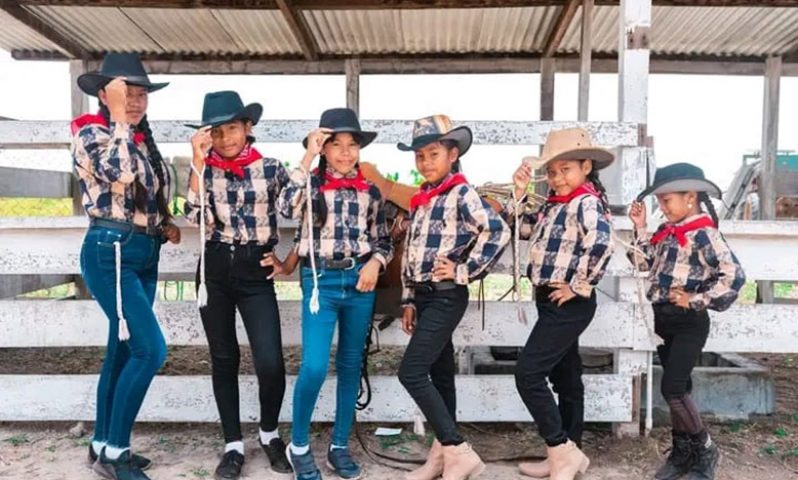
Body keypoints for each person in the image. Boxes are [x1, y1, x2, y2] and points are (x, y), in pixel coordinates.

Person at [71, 52, 180, 480]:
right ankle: (115, 454)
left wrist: (163, 223)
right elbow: (117, 174)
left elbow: (144, 192)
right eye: (125, 93)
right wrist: (117, 116)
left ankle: (101, 442)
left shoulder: (137, 138)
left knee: (122, 350)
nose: (134, 101)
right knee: (150, 350)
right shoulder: (93, 133)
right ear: (104, 94)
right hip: (110, 249)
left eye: (140, 94)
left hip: (142, 250)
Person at [277, 108, 393, 480]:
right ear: (323, 148)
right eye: (335, 145)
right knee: (313, 365)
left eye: (351, 145)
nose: (345, 153)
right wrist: (307, 156)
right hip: (320, 282)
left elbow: (383, 238)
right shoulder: (308, 185)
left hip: (359, 281)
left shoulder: (371, 191)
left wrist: (375, 262)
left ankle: (339, 446)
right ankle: (298, 446)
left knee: (349, 366)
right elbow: (283, 206)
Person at [184, 91, 294, 479]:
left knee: (270, 361)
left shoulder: (272, 168)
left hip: (255, 270)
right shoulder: (204, 170)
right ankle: (232, 444)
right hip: (214, 269)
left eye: (233, 128)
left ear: (248, 128)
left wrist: (288, 261)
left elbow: (300, 210)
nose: (226, 137)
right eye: (217, 131)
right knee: (224, 358)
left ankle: (268, 433)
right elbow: (193, 215)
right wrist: (198, 164)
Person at [397, 114, 510, 480]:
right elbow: (411, 254)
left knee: (411, 371)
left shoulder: (461, 192)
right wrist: (408, 299)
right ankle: (443, 457)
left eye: (433, 153)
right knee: (439, 374)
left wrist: (463, 270)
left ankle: (459, 450)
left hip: (447, 295)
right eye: (420, 156)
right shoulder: (423, 200)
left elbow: (497, 232)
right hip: (426, 297)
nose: (425, 162)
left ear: (452, 154)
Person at [508, 128, 615, 480]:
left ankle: (560, 447)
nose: (557, 178)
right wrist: (521, 194)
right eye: (552, 172)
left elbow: (602, 245)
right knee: (567, 377)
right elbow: (521, 230)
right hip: (550, 299)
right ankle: (567, 454)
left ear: (586, 167)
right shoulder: (554, 206)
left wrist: (578, 285)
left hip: (568, 300)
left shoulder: (586, 202)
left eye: (566, 169)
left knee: (528, 373)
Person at [628, 163, 745, 480]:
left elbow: (734, 276)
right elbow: (644, 263)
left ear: (690, 197)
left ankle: (706, 449)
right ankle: (683, 454)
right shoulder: (667, 233)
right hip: (663, 320)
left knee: (673, 388)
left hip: (689, 321)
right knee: (681, 387)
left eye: (667, 201)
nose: (662, 207)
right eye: (660, 202)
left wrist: (696, 299)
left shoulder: (705, 233)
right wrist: (640, 228)